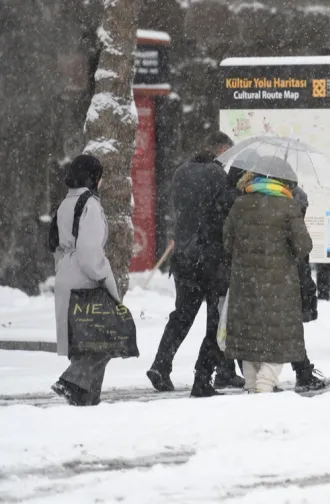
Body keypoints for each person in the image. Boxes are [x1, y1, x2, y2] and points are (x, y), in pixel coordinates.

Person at [147, 132, 244, 397]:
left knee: (182, 315)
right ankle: (206, 376)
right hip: (210, 258)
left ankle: (161, 364)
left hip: (184, 256)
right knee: (217, 319)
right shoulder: (216, 175)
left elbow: (182, 209)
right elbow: (224, 211)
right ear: (220, 149)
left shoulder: (181, 172)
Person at [223, 170, 314, 393]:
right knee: (278, 337)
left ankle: (252, 385)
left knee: (249, 336)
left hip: (245, 283)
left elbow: (227, 242)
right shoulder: (288, 206)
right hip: (279, 285)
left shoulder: (240, 203)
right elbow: (304, 246)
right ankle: (265, 384)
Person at [51, 154, 124, 406]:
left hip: (66, 275)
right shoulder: (90, 205)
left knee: (81, 343)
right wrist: (103, 276)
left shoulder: (65, 203)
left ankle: (86, 400)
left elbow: (58, 246)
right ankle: (72, 381)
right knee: (103, 340)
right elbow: (90, 251)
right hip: (86, 280)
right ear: (93, 177)